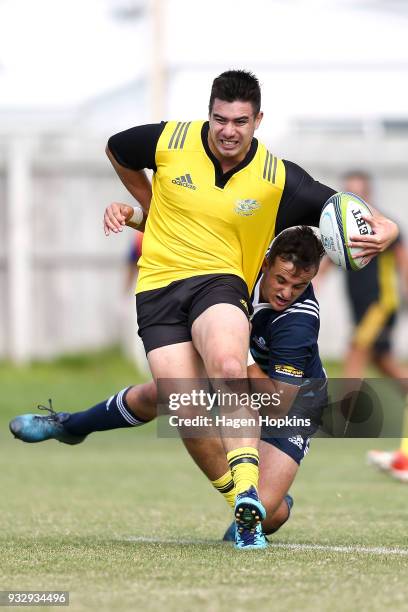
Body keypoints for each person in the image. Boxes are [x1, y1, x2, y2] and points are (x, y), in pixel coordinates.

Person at [101, 70, 397, 548]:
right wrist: (147, 207)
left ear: (258, 120)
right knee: (185, 403)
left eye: (240, 121)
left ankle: (250, 503)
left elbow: (334, 202)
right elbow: (117, 147)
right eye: (220, 119)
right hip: (160, 287)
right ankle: (247, 500)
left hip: (236, 310)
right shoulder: (170, 140)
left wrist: (387, 227)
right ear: (209, 113)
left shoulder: (278, 180)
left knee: (225, 365)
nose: (228, 131)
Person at [10, 226, 327, 549]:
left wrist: (240, 353)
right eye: (281, 280)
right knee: (166, 392)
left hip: (292, 400)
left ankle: (268, 503)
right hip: (238, 368)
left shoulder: (298, 322)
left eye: (299, 286)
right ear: (265, 264)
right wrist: (132, 215)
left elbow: (278, 403)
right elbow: (184, 225)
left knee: (268, 515)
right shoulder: (241, 265)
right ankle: (70, 425)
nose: (287, 293)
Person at [316, 170, 408, 480]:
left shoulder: (386, 226)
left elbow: (402, 259)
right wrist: (313, 285)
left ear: (367, 195)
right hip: (361, 307)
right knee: (383, 362)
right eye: (349, 190)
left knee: (355, 347)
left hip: (381, 304)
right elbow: (328, 261)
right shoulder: (340, 227)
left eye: (359, 190)